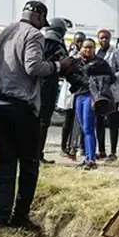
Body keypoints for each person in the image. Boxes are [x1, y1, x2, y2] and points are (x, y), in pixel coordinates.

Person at [0, 0, 75, 228]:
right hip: (20, 107)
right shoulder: (34, 35)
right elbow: (33, 66)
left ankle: (1, 216)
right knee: (28, 163)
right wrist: (58, 66)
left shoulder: (7, 30)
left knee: (6, 162)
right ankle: (20, 217)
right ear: (40, 18)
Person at [65, 38, 116, 169]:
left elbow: (112, 78)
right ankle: (87, 157)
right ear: (81, 48)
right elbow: (68, 75)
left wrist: (97, 81)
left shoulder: (100, 63)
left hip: (90, 96)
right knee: (83, 128)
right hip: (79, 95)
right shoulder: (77, 62)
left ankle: (91, 159)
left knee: (88, 128)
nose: (88, 50)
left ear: (94, 49)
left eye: (91, 47)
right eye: (85, 47)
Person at [38, 18, 70, 164]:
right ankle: (38, 154)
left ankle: (31, 153)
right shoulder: (58, 45)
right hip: (49, 85)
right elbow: (66, 65)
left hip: (34, 85)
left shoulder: (39, 41)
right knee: (44, 122)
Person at [94, 28, 119, 161]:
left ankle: (113, 152)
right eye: (101, 38)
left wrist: (114, 77)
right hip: (99, 91)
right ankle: (101, 150)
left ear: (110, 39)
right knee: (99, 121)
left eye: (106, 38)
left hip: (113, 91)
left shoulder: (115, 52)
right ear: (98, 39)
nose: (104, 40)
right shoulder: (96, 52)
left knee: (112, 121)